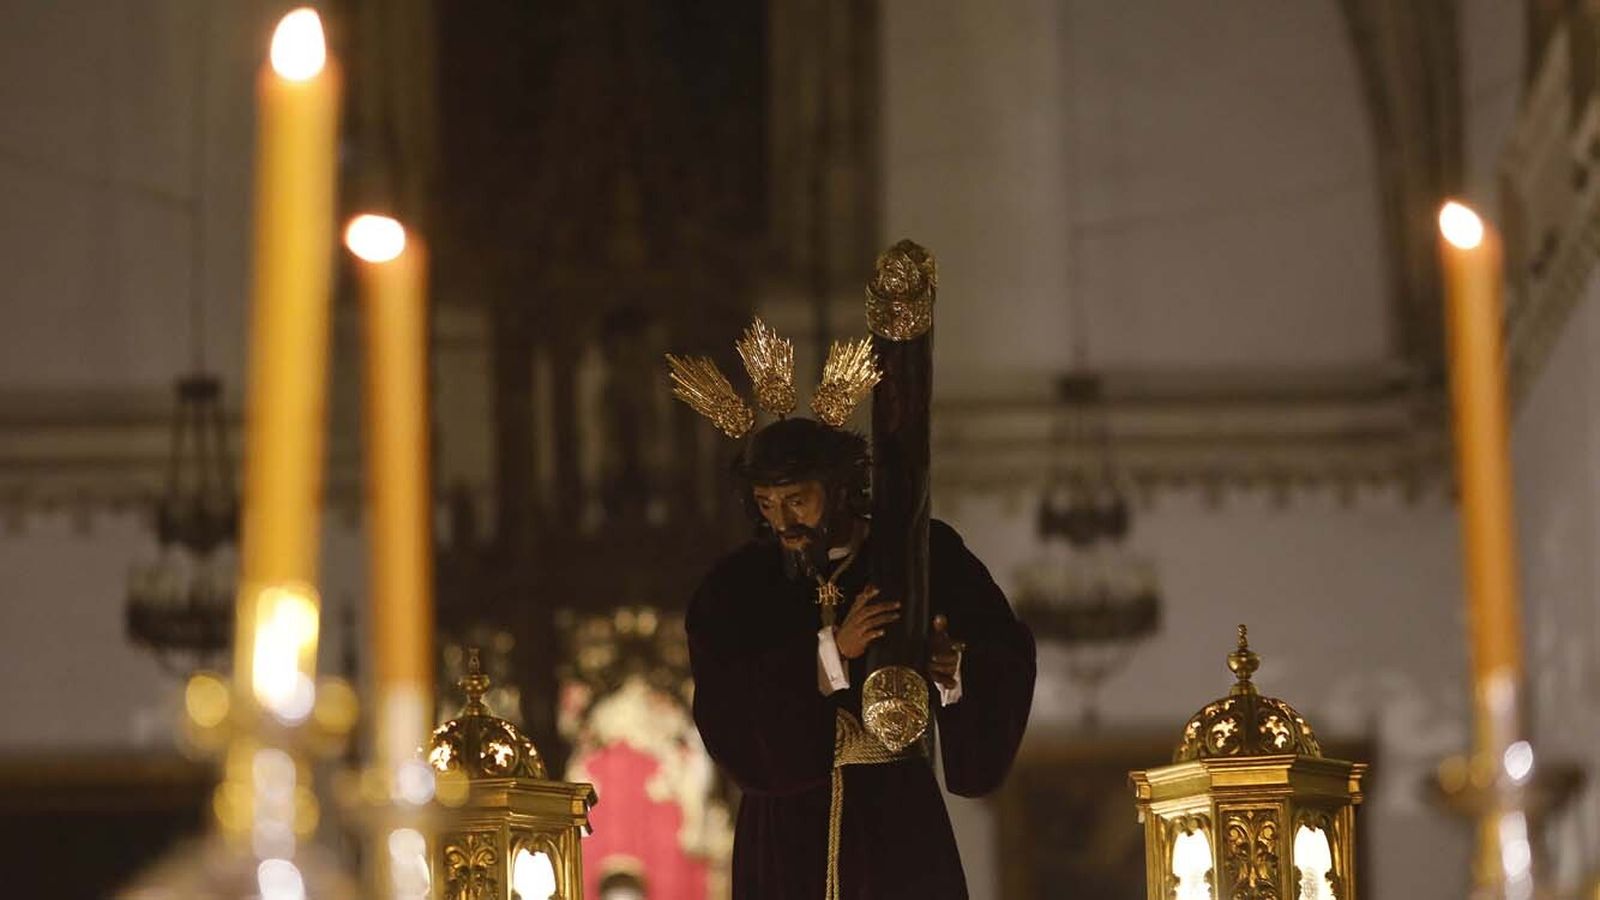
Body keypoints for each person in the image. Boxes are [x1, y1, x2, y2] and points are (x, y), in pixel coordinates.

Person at [686, 417, 1036, 899]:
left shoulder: (923, 555)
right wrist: (831, 653)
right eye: (766, 504)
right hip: (785, 832)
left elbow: (1004, 652)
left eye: (796, 501)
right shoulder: (737, 586)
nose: (781, 521)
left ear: (838, 489)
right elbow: (727, 701)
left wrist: (954, 668)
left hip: (895, 814)